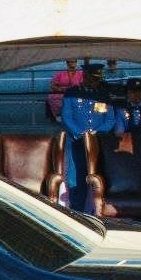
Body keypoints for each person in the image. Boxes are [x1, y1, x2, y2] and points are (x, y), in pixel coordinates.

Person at [60, 63, 122, 211]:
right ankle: (76, 211)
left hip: (97, 143)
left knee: (99, 177)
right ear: (85, 76)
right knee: (76, 178)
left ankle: (99, 211)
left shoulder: (103, 95)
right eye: (93, 79)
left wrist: (96, 133)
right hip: (77, 142)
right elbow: (66, 117)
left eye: (97, 79)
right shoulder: (72, 93)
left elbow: (110, 120)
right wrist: (81, 134)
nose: (96, 82)